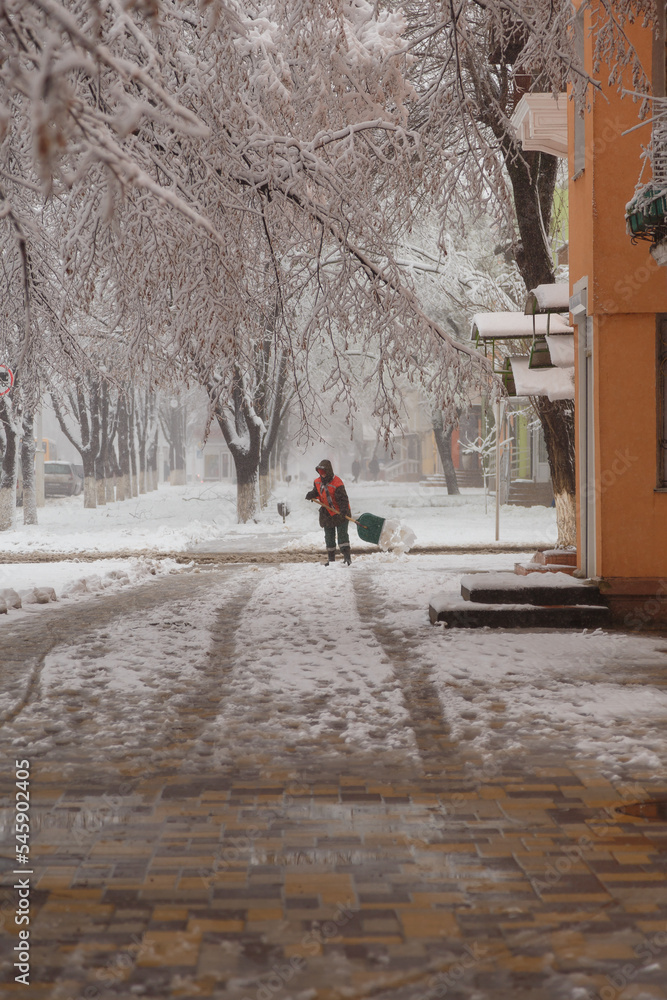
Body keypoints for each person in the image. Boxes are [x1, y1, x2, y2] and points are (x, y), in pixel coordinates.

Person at [305, 459, 352, 565]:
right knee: (329, 536)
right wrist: (311, 495)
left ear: (329, 471)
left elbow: (343, 499)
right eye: (320, 472)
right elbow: (317, 492)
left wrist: (344, 511)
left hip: (341, 512)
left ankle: (347, 557)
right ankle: (331, 560)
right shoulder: (317, 482)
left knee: (342, 535)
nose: (322, 475)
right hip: (327, 513)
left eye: (324, 472)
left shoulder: (337, 482)